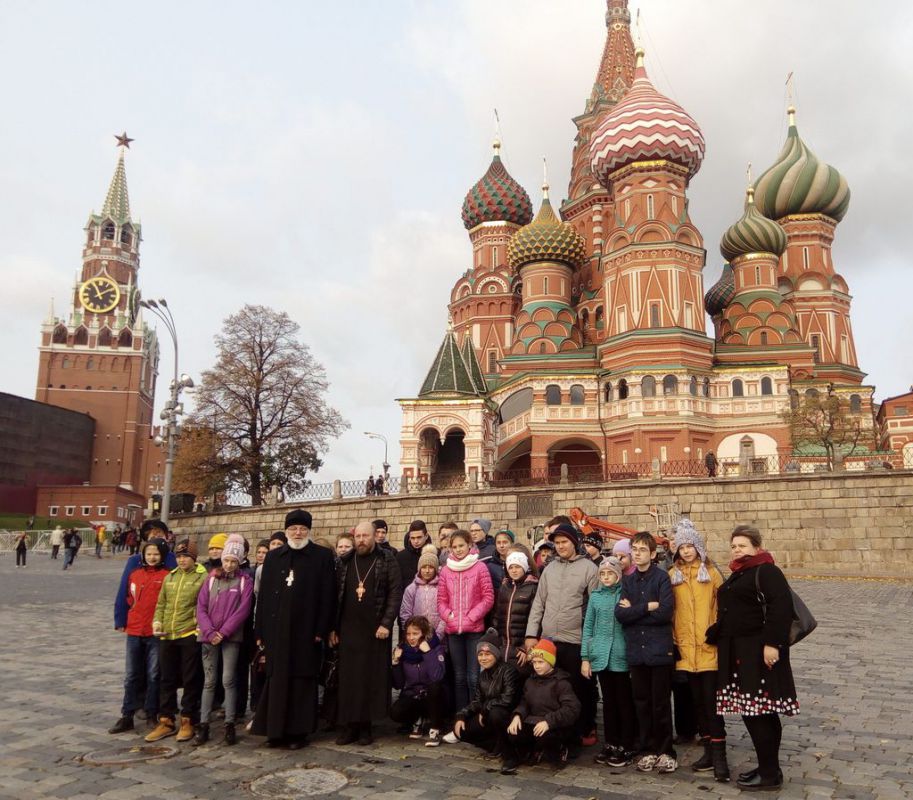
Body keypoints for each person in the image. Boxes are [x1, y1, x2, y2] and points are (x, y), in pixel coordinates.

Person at [710, 525, 798, 792]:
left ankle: (769, 775)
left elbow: (781, 607)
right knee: (759, 713)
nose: (737, 550)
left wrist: (772, 644)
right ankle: (769, 768)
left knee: (757, 713)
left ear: (756, 548)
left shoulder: (766, 570)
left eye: (743, 545)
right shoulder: (741, 571)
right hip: (741, 651)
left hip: (758, 652)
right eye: (734, 546)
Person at [252, 510, 336, 749]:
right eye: (293, 529)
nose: (298, 533)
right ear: (286, 531)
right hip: (277, 630)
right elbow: (263, 596)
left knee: (301, 681)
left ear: (308, 531)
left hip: (306, 630)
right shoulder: (274, 557)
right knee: (277, 680)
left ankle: (298, 733)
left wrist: (322, 628)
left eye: (302, 529)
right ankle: (275, 731)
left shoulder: (321, 556)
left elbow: (328, 595)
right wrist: (260, 630)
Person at [524, 523, 600, 748]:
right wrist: (531, 634)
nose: (560, 546)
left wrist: (590, 641)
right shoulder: (549, 569)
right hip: (549, 639)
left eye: (564, 542)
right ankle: (558, 733)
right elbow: (539, 603)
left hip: (576, 639)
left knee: (580, 688)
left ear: (574, 543)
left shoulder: (589, 569)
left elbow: (595, 607)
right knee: (552, 689)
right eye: (557, 543)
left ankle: (584, 727)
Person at [668, 518, 729, 781]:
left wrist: (717, 629)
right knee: (697, 704)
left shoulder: (711, 574)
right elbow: (671, 611)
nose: (686, 551)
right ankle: (708, 751)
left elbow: (724, 606)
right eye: (682, 547)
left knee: (712, 704)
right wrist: (673, 641)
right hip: (685, 648)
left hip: (707, 646)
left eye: (690, 546)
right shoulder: (673, 575)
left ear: (698, 547)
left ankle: (720, 757)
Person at [332, 520, 402, 746]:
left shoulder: (387, 559)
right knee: (348, 680)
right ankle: (349, 726)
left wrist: (386, 623)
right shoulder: (344, 561)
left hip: (374, 630)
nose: (361, 540)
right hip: (348, 629)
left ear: (374, 537)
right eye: (358, 536)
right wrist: (333, 627)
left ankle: (365, 727)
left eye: (366, 536)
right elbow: (335, 595)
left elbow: (395, 593)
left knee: (369, 679)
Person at [615, 531, 677, 774]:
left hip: (658, 650)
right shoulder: (628, 581)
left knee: (660, 703)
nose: (637, 554)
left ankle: (665, 750)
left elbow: (665, 613)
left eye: (642, 550)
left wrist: (636, 611)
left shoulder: (661, 578)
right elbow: (621, 615)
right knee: (641, 702)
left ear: (652, 554)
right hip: (636, 651)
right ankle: (648, 749)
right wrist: (647, 607)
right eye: (635, 550)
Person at [194, 534, 254, 746]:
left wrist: (224, 632)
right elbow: (201, 607)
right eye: (226, 560)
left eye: (233, 561)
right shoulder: (211, 579)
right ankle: (204, 724)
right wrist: (210, 632)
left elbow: (243, 610)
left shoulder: (244, 581)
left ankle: (230, 723)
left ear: (239, 561)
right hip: (208, 636)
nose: (229, 564)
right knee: (209, 681)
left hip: (231, 637)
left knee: (228, 679)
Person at [146, 538, 207, 744]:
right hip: (167, 634)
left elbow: (204, 604)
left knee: (190, 679)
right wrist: (157, 622)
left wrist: (198, 627)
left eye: (186, 556)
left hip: (188, 633)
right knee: (167, 678)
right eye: (179, 556)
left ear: (194, 558)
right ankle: (166, 720)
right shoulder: (170, 577)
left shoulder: (202, 577)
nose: (181, 560)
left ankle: (188, 719)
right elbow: (161, 603)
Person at [109, 539, 170, 734]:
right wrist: (123, 619)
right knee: (131, 675)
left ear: (162, 556)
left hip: (155, 632)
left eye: (156, 554)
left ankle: (152, 713)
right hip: (135, 630)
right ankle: (127, 714)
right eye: (149, 554)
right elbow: (128, 598)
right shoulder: (135, 574)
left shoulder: (167, 576)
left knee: (154, 674)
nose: (152, 557)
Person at [582, 557, 636, 767]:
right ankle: (611, 742)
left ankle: (626, 743)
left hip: (621, 655)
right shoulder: (595, 597)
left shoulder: (625, 593)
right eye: (602, 574)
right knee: (609, 703)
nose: (605, 577)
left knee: (624, 702)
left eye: (610, 574)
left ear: (618, 576)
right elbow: (588, 627)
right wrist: (586, 657)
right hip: (601, 655)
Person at [503, 638, 581, 773]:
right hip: (534, 721)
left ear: (550, 662)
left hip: (555, 724)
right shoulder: (530, 681)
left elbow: (572, 708)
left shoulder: (561, 683)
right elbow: (525, 702)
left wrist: (549, 721)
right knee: (513, 732)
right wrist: (517, 715)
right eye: (534, 662)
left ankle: (559, 750)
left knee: (545, 737)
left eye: (541, 662)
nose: (537, 666)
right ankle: (528, 751)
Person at [438, 529, 495, 709]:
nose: (458, 550)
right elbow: (441, 600)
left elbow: (488, 597)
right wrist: (449, 616)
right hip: (453, 631)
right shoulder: (446, 571)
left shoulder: (480, 567)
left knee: (473, 677)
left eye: (461, 545)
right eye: (454, 547)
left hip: (474, 630)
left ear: (469, 545)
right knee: (459, 677)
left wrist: (472, 616)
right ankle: (461, 715)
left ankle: (475, 713)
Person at [447, 628, 521, 766]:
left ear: (496, 654)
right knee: (461, 730)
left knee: (496, 713)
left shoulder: (508, 671)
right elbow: (477, 701)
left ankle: (510, 754)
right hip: (488, 715)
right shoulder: (483, 675)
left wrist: (485, 709)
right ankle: (495, 745)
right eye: (480, 654)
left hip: (507, 717)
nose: (483, 658)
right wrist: (461, 715)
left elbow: (508, 699)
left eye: (488, 654)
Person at [390, 616, 448, 746]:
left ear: (424, 633)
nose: (411, 637)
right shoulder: (402, 649)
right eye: (408, 634)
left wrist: (427, 653)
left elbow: (437, 676)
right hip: (414, 695)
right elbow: (398, 684)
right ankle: (418, 720)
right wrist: (395, 662)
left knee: (435, 687)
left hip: (433, 697)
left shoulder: (436, 648)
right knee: (395, 712)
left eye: (415, 633)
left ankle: (435, 729)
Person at [494, 551, 538, 674]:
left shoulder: (532, 588)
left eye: (517, 567)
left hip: (521, 650)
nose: (514, 570)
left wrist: (525, 647)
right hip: (503, 648)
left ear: (524, 567)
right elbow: (497, 616)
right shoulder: (504, 587)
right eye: (511, 567)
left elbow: (536, 620)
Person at [400, 546, 446, 642]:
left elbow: (445, 613)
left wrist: (438, 635)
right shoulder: (411, 589)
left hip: (438, 637)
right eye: (424, 567)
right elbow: (405, 613)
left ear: (436, 569)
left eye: (431, 567)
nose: (427, 571)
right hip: (416, 638)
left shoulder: (442, 587)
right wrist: (412, 634)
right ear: (419, 569)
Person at [396, 520, 432, 585]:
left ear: (426, 536)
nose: (416, 541)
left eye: (419, 537)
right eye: (413, 538)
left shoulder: (435, 554)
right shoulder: (400, 557)